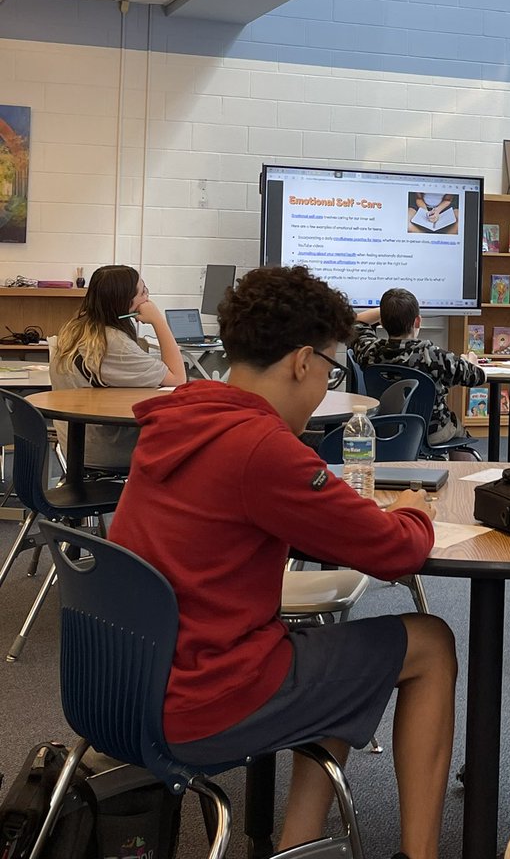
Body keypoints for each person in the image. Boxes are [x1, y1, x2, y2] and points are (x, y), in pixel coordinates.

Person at [108, 266, 456, 859]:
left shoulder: (179, 417)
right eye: (329, 369)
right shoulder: (261, 447)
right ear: (301, 362)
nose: (324, 386)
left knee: (340, 653)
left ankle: (301, 845)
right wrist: (412, 509)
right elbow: (395, 552)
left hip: (132, 680)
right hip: (206, 696)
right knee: (430, 642)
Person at [51, 264, 186, 471]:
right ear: (125, 302)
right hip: (108, 451)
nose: (147, 299)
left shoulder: (74, 330)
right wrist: (158, 321)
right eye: (143, 292)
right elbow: (178, 378)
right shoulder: (113, 343)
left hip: (77, 446)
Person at [353, 287, 485, 446]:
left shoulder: (370, 352)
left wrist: (389, 312)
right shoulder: (432, 355)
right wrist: (471, 363)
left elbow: (356, 322)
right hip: (431, 432)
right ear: (417, 321)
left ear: (382, 322)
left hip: (386, 430)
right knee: (459, 432)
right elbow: (477, 377)